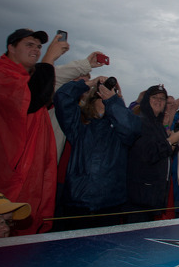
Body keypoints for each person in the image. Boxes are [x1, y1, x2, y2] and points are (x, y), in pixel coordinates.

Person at [0, 28, 68, 235]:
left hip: (29, 173)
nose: (35, 49)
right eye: (29, 44)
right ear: (11, 48)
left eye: (38, 46)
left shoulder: (23, 79)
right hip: (7, 176)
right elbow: (32, 101)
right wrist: (49, 57)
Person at [53, 76, 142, 230]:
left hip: (109, 205)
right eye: (101, 96)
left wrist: (114, 100)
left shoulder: (120, 132)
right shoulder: (78, 126)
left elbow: (132, 127)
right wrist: (88, 84)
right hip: (76, 202)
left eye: (109, 96)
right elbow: (62, 97)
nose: (105, 99)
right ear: (93, 101)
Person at [120, 84, 179, 222]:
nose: (158, 101)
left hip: (152, 196)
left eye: (162, 99)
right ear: (147, 100)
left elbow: (164, 154)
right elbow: (147, 153)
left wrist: (172, 142)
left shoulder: (158, 124)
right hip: (139, 195)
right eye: (154, 97)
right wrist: (170, 141)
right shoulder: (140, 121)